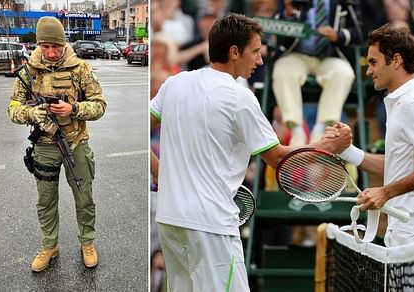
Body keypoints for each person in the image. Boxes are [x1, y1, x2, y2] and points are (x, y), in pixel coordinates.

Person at [150, 13, 351, 291]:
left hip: (170, 221)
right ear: (235, 52)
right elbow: (279, 158)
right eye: (255, 51)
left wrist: (159, 170)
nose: (260, 60)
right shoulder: (240, 97)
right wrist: (327, 146)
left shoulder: (175, 83)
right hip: (212, 226)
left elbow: (141, 129)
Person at [335, 23, 414, 247]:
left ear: (397, 60)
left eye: (373, 62)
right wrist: (347, 151)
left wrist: (386, 192)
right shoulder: (403, 102)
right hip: (410, 234)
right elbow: (398, 166)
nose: (369, 71)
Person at [7, 16, 106, 272]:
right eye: (45, 46)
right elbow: (13, 108)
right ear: (39, 45)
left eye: (56, 46)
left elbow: (99, 106)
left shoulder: (80, 69)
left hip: (76, 144)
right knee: (46, 200)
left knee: (84, 197)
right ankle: (50, 246)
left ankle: (87, 243)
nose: (50, 53)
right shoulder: (28, 72)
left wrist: (72, 108)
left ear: (64, 44)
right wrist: (31, 114)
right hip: (44, 147)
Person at [272, 0, 363, 145]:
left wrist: (338, 35)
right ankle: (296, 130)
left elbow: (359, 32)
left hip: (330, 55)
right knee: (282, 69)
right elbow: (278, 33)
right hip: (297, 55)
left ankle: (321, 131)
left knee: (344, 72)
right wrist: (288, 15)